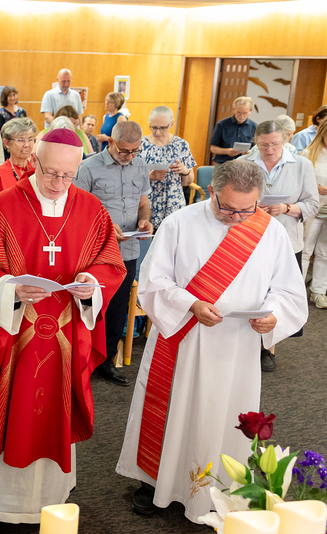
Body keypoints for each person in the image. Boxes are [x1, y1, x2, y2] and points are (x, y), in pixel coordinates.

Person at [0, 128, 126, 531]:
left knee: (50, 413)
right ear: (34, 162)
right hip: (9, 333)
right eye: (50, 173)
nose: (59, 183)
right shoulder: (3, 206)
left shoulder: (91, 209)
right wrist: (9, 287)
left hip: (64, 337)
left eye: (68, 176)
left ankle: (47, 498)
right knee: (9, 408)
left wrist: (91, 282)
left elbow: (110, 264)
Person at [114, 159, 308, 524]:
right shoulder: (179, 223)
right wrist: (190, 304)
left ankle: (219, 486)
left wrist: (274, 316)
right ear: (210, 191)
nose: (237, 218)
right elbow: (154, 282)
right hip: (182, 339)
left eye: (247, 210)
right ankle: (154, 482)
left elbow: (288, 291)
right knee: (172, 410)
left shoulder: (271, 232)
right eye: (228, 208)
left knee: (222, 414)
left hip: (237, 346)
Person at [75, 121, 153, 386]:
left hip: (128, 249)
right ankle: (81, 361)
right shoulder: (88, 167)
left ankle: (106, 361)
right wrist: (106, 226)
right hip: (95, 251)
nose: (129, 156)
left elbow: (144, 203)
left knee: (118, 308)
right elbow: (76, 210)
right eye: (124, 150)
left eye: (134, 151)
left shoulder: (140, 165)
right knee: (91, 306)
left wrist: (145, 220)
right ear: (110, 142)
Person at [244, 120, 317, 372]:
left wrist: (287, 208)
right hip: (250, 239)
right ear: (256, 142)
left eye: (275, 144)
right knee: (251, 291)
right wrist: (251, 208)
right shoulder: (243, 163)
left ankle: (268, 347)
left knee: (277, 293)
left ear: (285, 141)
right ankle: (243, 343)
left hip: (287, 240)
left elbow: (312, 204)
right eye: (264, 145)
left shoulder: (302, 165)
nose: (270, 150)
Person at [141, 106, 196, 229]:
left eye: (162, 128)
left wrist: (185, 171)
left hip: (173, 203)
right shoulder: (141, 145)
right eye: (153, 127)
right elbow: (130, 178)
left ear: (171, 124)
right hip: (147, 204)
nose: (157, 132)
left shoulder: (181, 145)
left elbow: (188, 182)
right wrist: (149, 176)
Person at [301, 119, 327, 307]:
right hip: (312, 210)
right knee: (305, 250)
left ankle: (319, 292)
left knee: (324, 253)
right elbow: (299, 182)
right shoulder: (308, 154)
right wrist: (315, 187)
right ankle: (297, 292)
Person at [0, 117, 37, 201]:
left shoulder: (37, 170)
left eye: (30, 139)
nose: (27, 145)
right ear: (6, 143)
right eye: (20, 140)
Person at [209, 96, 257, 169]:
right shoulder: (222, 125)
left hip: (245, 165)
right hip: (223, 164)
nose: (242, 116)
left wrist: (250, 152)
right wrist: (227, 151)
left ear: (250, 111)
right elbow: (213, 148)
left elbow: (257, 148)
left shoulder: (254, 126)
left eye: (245, 113)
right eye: (238, 112)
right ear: (233, 110)